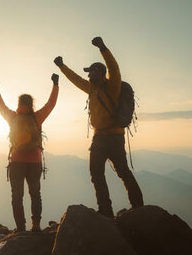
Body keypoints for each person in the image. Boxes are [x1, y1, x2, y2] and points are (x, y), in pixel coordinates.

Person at [54, 36, 143, 218]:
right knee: (97, 173)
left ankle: (138, 207)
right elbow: (76, 79)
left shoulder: (113, 86)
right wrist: (62, 67)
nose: (87, 76)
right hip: (99, 138)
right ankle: (106, 211)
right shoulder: (92, 89)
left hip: (113, 138)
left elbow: (114, 68)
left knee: (122, 172)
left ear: (99, 73)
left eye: (91, 72)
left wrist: (103, 48)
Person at [0, 74, 59, 232]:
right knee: (35, 194)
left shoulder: (12, 117)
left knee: (17, 196)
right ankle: (35, 225)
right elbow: (51, 104)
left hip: (17, 161)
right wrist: (55, 85)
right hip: (34, 161)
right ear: (31, 104)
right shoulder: (37, 117)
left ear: (19, 104)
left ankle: (20, 228)